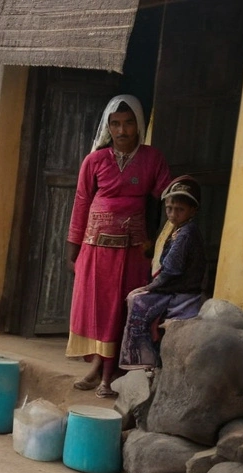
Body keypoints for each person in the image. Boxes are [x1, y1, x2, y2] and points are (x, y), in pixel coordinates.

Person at [65, 95, 172, 397]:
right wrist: (73, 247)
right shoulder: (94, 161)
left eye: (128, 123)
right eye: (115, 124)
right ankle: (98, 367)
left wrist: (168, 237)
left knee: (122, 309)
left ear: (138, 125)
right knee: (97, 308)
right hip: (95, 247)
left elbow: (167, 194)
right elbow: (82, 202)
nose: (122, 130)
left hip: (133, 250)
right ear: (108, 127)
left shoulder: (152, 159)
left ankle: (110, 373)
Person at [118, 176, 207, 370]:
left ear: (193, 210)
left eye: (180, 209)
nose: (173, 214)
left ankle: (145, 358)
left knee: (136, 299)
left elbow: (171, 269)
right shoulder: (177, 229)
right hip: (173, 287)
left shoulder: (186, 233)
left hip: (182, 292)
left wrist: (148, 287)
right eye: (169, 208)